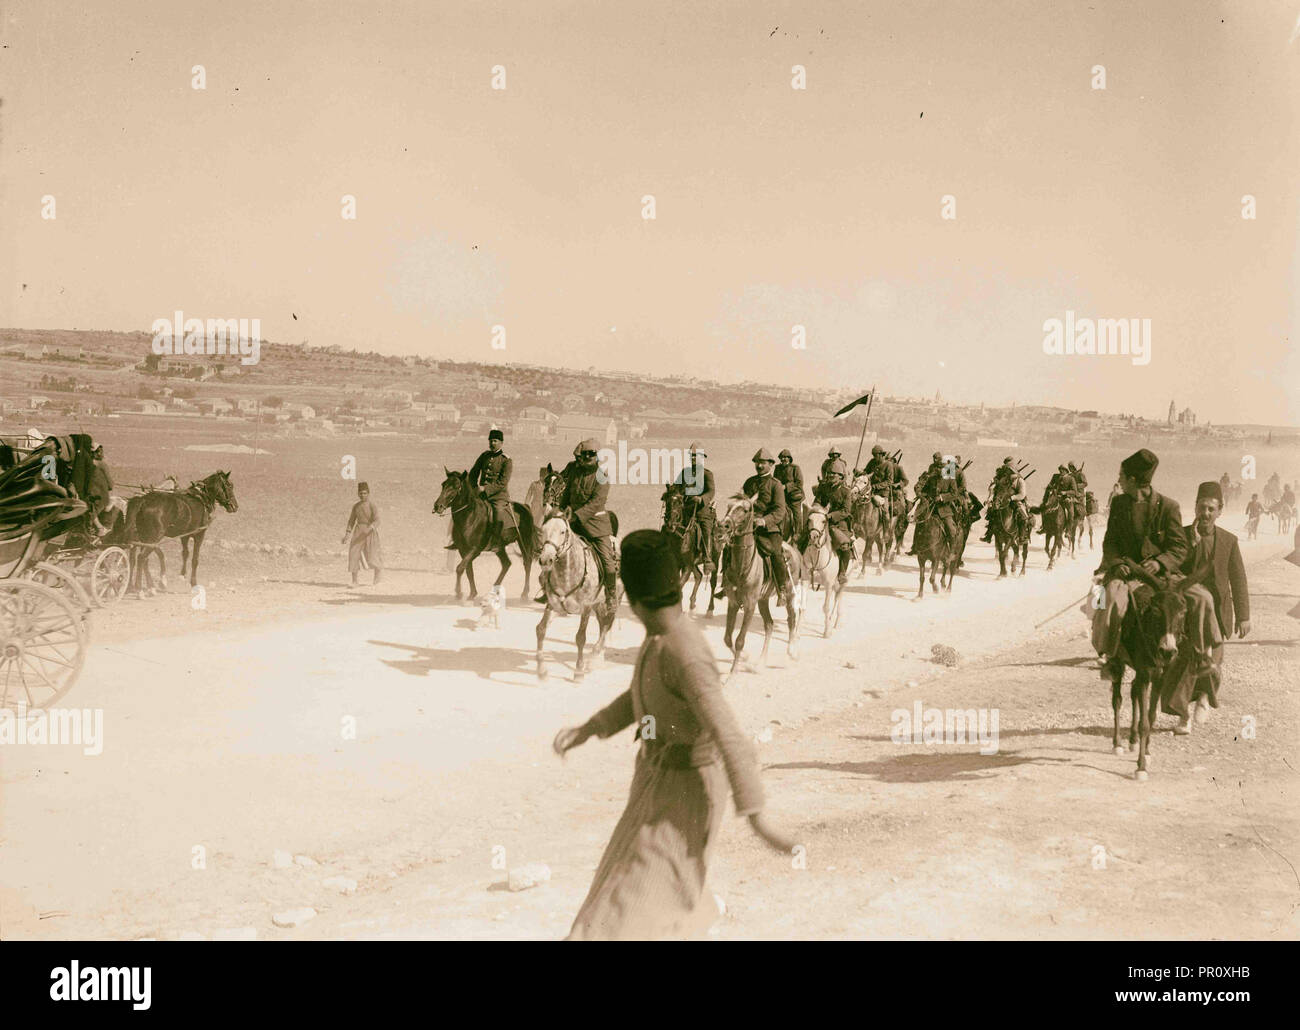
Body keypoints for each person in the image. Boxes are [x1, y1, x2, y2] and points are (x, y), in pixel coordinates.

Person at [553, 529, 794, 940]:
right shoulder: (661, 636)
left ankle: (696, 914)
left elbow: (729, 734)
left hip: (687, 795)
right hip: (654, 784)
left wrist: (757, 817)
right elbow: (642, 694)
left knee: (629, 909)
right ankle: (697, 912)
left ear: (631, 597)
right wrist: (593, 727)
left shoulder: (686, 652)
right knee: (619, 890)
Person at [1091, 449, 1188, 680]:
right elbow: (1110, 543)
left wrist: (1160, 562)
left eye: (1121, 476)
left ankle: (1197, 654)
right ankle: (1111, 657)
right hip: (1127, 575)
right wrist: (1116, 564)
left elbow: (1179, 548)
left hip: (1162, 576)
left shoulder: (1168, 507)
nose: (1119, 481)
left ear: (1133, 480)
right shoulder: (1119, 504)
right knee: (1110, 600)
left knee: (1195, 599)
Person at [1167, 481, 1251, 735]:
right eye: (1202, 507)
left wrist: (1244, 616)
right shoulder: (1180, 536)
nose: (1205, 513)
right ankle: (1184, 716)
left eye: (1211, 509)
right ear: (1195, 507)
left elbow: (1238, 579)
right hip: (1187, 613)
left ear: (1219, 511)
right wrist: (1191, 545)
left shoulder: (1228, 541)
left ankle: (1204, 698)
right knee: (1184, 664)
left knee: (1213, 662)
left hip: (1218, 614)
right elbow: (1171, 568)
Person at [557, 438, 618, 612]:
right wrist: (561, 511)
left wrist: (575, 516)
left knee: (607, 560)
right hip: (573, 522)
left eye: (592, 454)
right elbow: (567, 494)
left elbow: (596, 503)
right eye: (585, 454)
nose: (588, 457)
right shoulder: (576, 473)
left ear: (598, 457)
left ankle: (611, 595)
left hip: (595, 526)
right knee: (554, 549)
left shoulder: (602, 476)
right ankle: (550, 589)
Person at [743, 448, 795, 605]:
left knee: (775, 553)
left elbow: (780, 510)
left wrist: (764, 520)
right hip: (748, 526)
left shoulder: (776, 485)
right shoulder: (749, 482)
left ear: (771, 465)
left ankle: (782, 590)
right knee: (730, 547)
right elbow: (743, 502)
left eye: (763, 463)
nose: (759, 466)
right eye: (757, 463)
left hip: (769, 529)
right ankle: (727, 584)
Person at [468, 428, 517, 549]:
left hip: (498, 496)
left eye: (495, 441)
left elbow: (503, 482)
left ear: (501, 442)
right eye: (490, 441)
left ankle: (497, 540)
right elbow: (473, 473)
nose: (492, 443)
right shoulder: (484, 456)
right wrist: (474, 487)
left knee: (498, 513)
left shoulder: (506, 460)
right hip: (480, 494)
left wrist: (486, 489)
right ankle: (459, 538)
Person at [673, 442, 717, 574]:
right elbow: (676, 488)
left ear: (701, 457)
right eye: (691, 456)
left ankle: (707, 558)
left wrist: (701, 498)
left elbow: (711, 491)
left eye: (695, 456)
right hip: (685, 510)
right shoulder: (684, 473)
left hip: (701, 510)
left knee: (705, 529)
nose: (692, 458)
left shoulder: (707, 474)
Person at [812, 461, 855, 585]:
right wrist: (817, 509)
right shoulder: (824, 487)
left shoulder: (846, 491)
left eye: (834, 474)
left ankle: (842, 573)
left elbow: (846, 511)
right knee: (805, 536)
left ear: (841, 476)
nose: (830, 475)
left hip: (839, 524)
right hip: (822, 519)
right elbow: (817, 501)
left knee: (845, 545)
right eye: (829, 473)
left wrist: (830, 516)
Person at [342, 481, 383, 585]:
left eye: (365, 493)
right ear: (358, 494)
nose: (362, 495)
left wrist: (370, 528)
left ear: (368, 493)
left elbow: (377, 520)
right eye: (360, 493)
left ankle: (377, 572)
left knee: (372, 556)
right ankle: (354, 581)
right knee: (353, 554)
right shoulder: (356, 506)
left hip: (370, 533)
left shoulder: (372, 505)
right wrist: (347, 534)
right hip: (358, 532)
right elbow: (351, 520)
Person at [774, 448, 805, 543]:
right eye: (782, 458)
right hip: (782, 496)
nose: (783, 459)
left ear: (789, 458)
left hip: (794, 496)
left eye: (786, 457)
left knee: (796, 513)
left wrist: (786, 486)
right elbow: (775, 481)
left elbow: (799, 483)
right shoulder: (777, 468)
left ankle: (798, 533)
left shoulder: (795, 468)